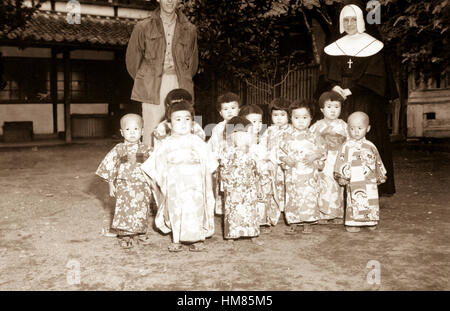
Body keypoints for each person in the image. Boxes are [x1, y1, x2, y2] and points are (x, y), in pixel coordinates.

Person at [316, 3, 397, 195]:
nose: (350, 23)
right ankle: (337, 184)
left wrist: (351, 89)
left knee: (364, 136)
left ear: (360, 21)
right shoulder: (334, 46)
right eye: (346, 19)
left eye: (353, 19)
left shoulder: (373, 45)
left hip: (364, 99)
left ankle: (370, 185)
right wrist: (333, 86)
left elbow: (376, 78)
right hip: (339, 100)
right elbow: (325, 75)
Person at [141, 100, 216, 252]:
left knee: (196, 209)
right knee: (175, 210)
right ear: (169, 124)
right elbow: (155, 163)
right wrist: (162, 179)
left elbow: (210, 162)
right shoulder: (166, 143)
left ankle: (198, 238)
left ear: (193, 122)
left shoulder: (198, 142)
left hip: (195, 183)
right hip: (175, 183)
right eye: (178, 119)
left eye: (187, 119)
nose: (183, 123)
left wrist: (206, 178)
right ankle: (176, 239)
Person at [126, 0, 198, 146]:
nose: (170, 1)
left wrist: (182, 79)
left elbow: (192, 63)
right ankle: (151, 166)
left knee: (180, 127)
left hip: (180, 84)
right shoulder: (143, 27)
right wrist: (145, 79)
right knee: (152, 130)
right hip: (151, 85)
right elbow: (132, 61)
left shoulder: (189, 29)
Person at [95, 114, 153, 249]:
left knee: (142, 209)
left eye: (136, 129)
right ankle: (124, 235)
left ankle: (140, 231)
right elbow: (110, 166)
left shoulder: (146, 149)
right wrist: (111, 184)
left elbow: (154, 166)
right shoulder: (118, 149)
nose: (132, 133)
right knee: (124, 210)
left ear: (142, 131)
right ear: (121, 132)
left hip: (142, 185)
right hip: (124, 185)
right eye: (128, 130)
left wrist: (153, 182)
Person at [278, 100, 326, 234]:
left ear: (311, 118)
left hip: (309, 174)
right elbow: (280, 152)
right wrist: (285, 159)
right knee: (293, 197)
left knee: (309, 196)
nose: (300, 121)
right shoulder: (286, 136)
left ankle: (308, 221)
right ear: (290, 118)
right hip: (293, 173)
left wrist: (315, 156)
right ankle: (294, 221)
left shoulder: (315, 136)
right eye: (296, 118)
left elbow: (322, 151)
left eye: (304, 117)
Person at [334, 111, 387, 232]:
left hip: (369, 179)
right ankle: (353, 223)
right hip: (354, 179)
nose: (356, 131)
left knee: (371, 199)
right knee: (354, 200)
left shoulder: (370, 146)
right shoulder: (346, 146)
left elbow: (377, 161)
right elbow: (341, 161)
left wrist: (380, 176)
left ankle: (370, 220)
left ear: (368, 128)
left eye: (359, 128)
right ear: (348, 129)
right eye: (352, 128)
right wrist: (341, 176)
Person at [219, 116, 264, 246]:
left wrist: (258, 187)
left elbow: (257, 172)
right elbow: (224, 173)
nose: (250, 137)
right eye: (245, 134)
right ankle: (231, 237)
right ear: (232, 136)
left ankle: (253, 234)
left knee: (251, 211)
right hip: (234, 189)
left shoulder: (252, 154)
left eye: (251, 133)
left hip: (250, 188)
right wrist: (230, 189)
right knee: (233, 212)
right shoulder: (228, 153)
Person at [310, 91, 348, 224]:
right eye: (329, 107)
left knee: (339, 184)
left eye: (336, 107)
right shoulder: (317, 126)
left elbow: (350, 141)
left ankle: (338, 213)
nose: (333, 110)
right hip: (324, 159)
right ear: (322, 109)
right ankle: (323, 213)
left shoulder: (344, 126)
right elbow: (310, 141)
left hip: (338, 158)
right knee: (324, 185)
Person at [239, 105, 275, 231]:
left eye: (260, 121)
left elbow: (268, 152)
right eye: (253, 122)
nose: (258, 125)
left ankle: (263, 221)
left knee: (264, 196)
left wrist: (268, 159)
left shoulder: (263, 137)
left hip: (263, 172)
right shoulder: (241, 139)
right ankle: (250, 221)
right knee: (251, 197)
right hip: (250, 173)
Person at [259, 98, 292, 225]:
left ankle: (288, 214)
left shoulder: (292, 130)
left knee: (286, 188)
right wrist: (265, 158)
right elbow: (262, 145)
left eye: (283, 115)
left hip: (286, 166)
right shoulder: (269, 131)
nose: (279, 118)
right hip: (272, 166)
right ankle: (272, 216)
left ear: (289, 116)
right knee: (272, 190)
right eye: (275, 115)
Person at [207, 92, 241, 215]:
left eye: (233, 108)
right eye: (225, 109)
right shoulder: (217, 128)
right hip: (223, 162)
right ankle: (225, 210)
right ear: (220, 113)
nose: (230, 111)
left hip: (239, 162)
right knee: (223, 187)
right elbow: (213, 145)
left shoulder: (244, 125)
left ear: (239, 109)